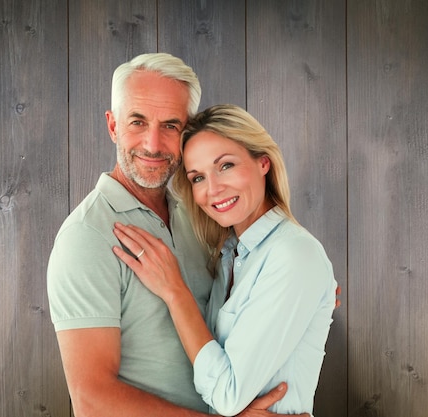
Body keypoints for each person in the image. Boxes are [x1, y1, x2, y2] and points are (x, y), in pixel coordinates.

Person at [47, 53, 307, 417]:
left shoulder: (199, 214)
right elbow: (92, 400)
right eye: (138, 122)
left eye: (171, 125)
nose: (153, 144)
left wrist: (305, 288)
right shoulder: (86, 236)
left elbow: (248, 284)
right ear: (113, 126)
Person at [112, 104, 338, 416]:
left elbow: (228, 395)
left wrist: (175, 293)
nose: (213, 190)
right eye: (198, 177)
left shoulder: (293, 254)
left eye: (226, 166)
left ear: (263, 163)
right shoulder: (231, 257)